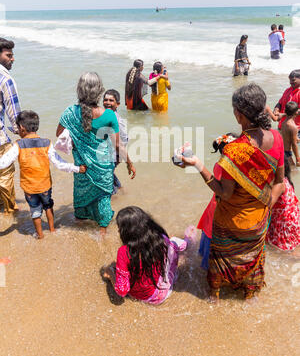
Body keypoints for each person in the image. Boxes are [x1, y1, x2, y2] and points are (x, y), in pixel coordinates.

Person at [176, 83, 284, 301]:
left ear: (238, 115)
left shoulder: (235, 150)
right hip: (259, 221)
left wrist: (197, 164)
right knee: (252, 261)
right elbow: (280, 183)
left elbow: (224, 193)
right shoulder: (278, 138)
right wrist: (266, 206)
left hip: (230, 222)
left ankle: (214, 298)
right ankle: (249, 296)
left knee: (222, 261)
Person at [56, 72, 135, 236]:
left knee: (81, 199)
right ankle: (102, 236)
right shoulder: (109, 115)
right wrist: (130, 163)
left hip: (82, 167)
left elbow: (59, 134)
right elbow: (118, 145)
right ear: (99, 91)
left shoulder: (70, 112)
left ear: (79, 90)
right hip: (103, 168)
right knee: (103, 201)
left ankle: (78, 234)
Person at [0, 110, 86, 239]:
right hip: (45, 186)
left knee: (35, 210)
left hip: (29, 188)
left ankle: (40, 235)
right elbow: (59, 163)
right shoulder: (47, 143)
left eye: (17, 128)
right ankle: (52, 230)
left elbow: (3, 162)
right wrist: (77, 168)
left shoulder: (18, 145)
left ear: (22, 128)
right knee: (48, 205)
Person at [103, 206, 191, 305]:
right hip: (163, 291)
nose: (119, 232)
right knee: (173, 242)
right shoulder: (159, 238)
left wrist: (111, 274)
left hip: (143, 297)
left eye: (120, 228)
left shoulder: (124, 252)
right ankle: (189, 241)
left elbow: (122, 291)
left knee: (114, 269)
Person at [197, 133, 237, 270]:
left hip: (215, 203)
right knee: (219, 237)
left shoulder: (218, 165)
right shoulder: (228, 168)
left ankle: (206, 264)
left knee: (210, 235)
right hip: (221, 207)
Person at [0, 38, 21, 215]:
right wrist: (23, 133)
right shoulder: (5, 79)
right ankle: (9, 211)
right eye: (9, 55)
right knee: (5, 174)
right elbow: (14, 113)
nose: (12, 59)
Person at [103, 89, 136, 194]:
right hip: (112, 154)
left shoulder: (114, 120)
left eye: (111, 100)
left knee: (107, 187)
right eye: (105, 100)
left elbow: (121, 143)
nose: (108, 103)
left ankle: (115, 199)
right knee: (109, 175)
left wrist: (129, 164)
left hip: (114, 155)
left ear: (117, 104)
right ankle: (122, 192)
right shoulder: (107, 116)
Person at [266, 157, 300, 251]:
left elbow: (268, 205)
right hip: (292, 222)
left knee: (284, 252)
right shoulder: (287, 180)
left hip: (284, 225)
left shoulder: (279, 184)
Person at [281, 101, 300, 167]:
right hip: (287, 154)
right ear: (296, 112)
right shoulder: (293, 127)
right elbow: (294, 145)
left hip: (282, 152)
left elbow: (286, 137)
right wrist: (298, 159)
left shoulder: (283, 123)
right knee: (294, 172)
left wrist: (296, 138)